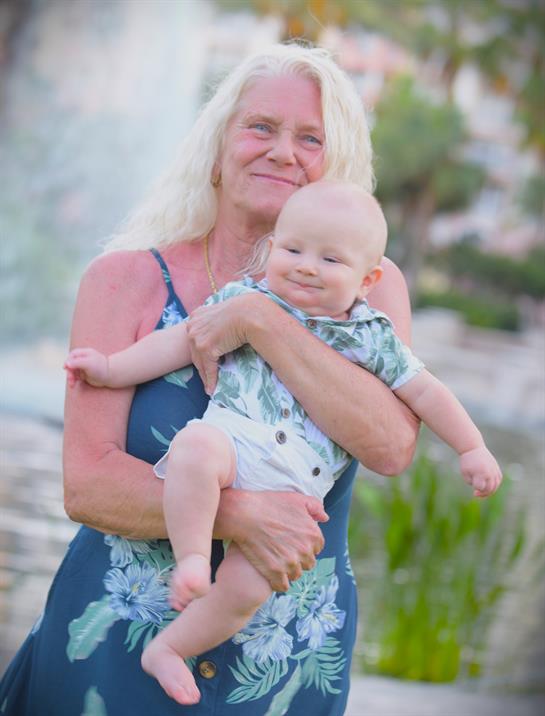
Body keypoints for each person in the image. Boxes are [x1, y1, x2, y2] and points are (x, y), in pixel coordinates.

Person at [0, 44, 422, 716]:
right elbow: (86, 483)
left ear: (332, 162)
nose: (282, 152)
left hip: (283, 666)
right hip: (112, 642)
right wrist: (237, 515)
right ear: (217, 146)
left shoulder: (372, 294)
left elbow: (390, 446)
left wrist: (259, 319)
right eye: (259, 127)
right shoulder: (124, 281)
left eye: (309, 138)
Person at [63, 180, 501, 706]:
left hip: (294, 486)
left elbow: (427, 393)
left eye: (331, 260)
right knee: (193, 452)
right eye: (293, 250)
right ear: (272, 251)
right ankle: (194, 557)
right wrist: (110, 369)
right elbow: (177, 343)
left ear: (369, 279)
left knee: (248, 590)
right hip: (233, 445)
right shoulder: (242, 299)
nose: (307, 266)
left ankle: (169, 649)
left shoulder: (371, 337)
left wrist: (471, 447)